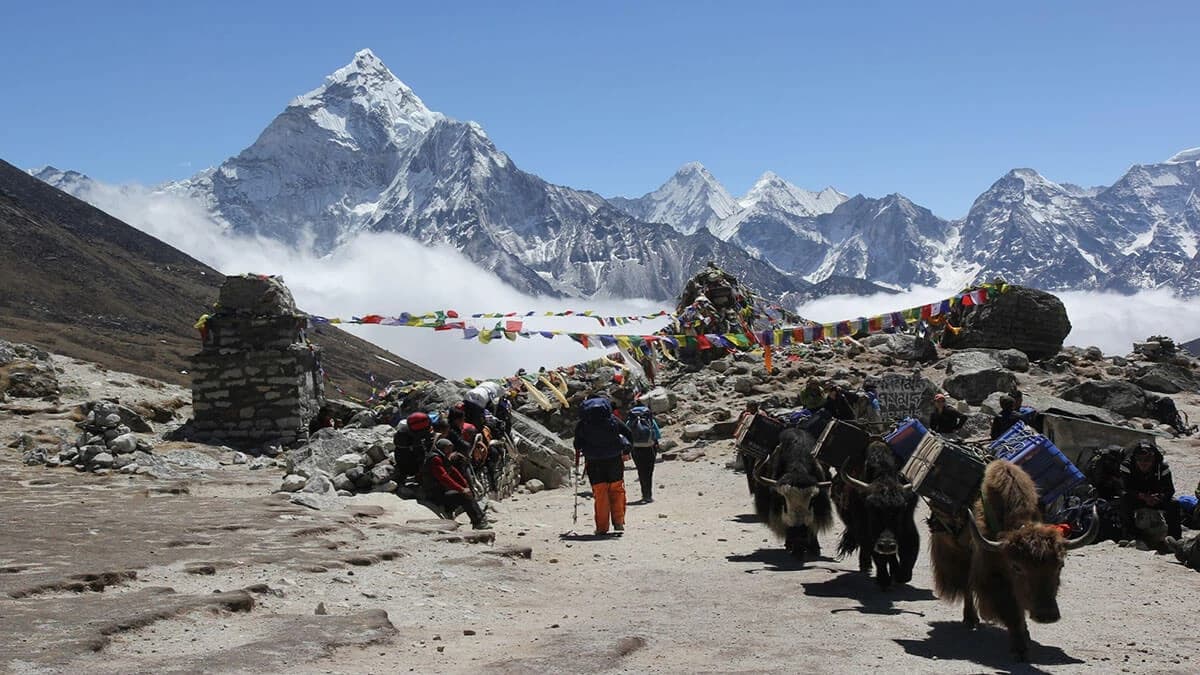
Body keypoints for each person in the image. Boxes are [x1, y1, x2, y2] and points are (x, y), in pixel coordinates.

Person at [573, 396, 632, 535]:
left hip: (594, 462)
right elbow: (628, 433)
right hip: (614, 459)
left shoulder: (583, 423)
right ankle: (618, 522)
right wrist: (626, 450)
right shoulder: (612, 419)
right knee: (616, 490)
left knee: (600, 494)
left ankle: (602, 528)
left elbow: (577, 444)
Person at [1119, 442, 1182, 548]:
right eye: (1140, 460)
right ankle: (1131, 536)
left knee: (1174, 503)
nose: (1143, 463)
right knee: (1124, 500)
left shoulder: (1162, 467)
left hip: (1156, 498)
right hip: (1137, 497)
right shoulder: (1127, 466)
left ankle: (1174, 539)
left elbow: (1170, 490)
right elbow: (1124, 488)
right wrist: (1142, 496)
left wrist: (1159, 497)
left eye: (1147, 460)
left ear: (1153, 460)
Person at [420, 438, 490, 530]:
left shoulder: (443, 457)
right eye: (448, 448)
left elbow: (453, 471)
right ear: (442, 448)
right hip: (434, 493)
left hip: (442, 490)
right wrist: (461, 489)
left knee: (468, 493)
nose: (450, 451)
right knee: (463, 496)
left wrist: (465, 485)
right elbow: (444, 477)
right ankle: (478, 522)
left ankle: (480, 517)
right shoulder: (435, 459)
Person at [626, 405, 662, 503]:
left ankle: (644, 494)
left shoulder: (630, 422)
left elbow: (626, 435)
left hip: (636, 449)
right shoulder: (650, 420)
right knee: (648, 472)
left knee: (641, 471)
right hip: (649, 448)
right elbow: (657, 435)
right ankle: (648, 496)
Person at [393, 412, 435, 484]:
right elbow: (422, 454)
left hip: (403, 465)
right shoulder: (416, 439)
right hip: (412, 468)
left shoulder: (403, 433)